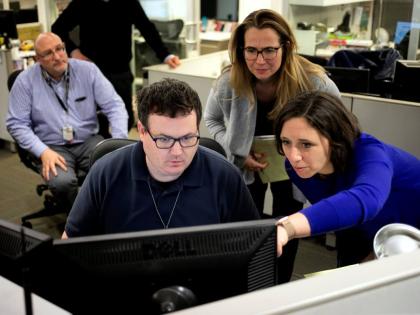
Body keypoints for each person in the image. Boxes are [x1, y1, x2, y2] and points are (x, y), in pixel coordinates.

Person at [204, 9, 340, 283]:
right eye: (251, 50)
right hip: (246, 166)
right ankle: (248, 286)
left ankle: (280, 287)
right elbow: (212, 119)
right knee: (247, 230)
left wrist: (308, 154)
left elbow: (340, 126)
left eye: (269, 50)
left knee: (286, 230)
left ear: (285, 46)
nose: (259, 60)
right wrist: (235, 152)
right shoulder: (230, 81)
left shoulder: (313, 82)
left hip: (294, 171)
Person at [62, 78, 259, 238]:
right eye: (164, 139)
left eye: (188, 138)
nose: (177, 151)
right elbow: (71, 243)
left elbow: (254, 243)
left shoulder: (225, 177)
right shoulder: (105, 173)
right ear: (141, 131)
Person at [273, 91, 420, 266]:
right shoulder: (296, 168)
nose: (293, 156)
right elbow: (342, 212)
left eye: (306, 144)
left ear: (335, 139)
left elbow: (367, 198)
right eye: (286, 142)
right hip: (365, 232)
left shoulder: (370, 153)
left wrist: (288, 227)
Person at [6, 32, 128, 212]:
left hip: (88, 141)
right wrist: (43, 151)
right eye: (48, 53)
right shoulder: (25, 81)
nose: (57, 56)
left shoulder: (88, 71)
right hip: (51, 146)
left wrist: (119, 141)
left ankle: (107, 211)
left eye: (59, 49)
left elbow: (114, 105)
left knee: (119, 168)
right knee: (62, 183)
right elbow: (16, 123)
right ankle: (79, 221)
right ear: (37, 58)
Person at [51, 0, 181, 130]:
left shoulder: (129, 2)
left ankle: (117, 147)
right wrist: (74, 51)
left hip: (120, 72)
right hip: (91, 72)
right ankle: (101, 148)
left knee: (126, 118)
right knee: (94, 121)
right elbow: (57, 28)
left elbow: (147, 28)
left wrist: (165, 55)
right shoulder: (83, 3)